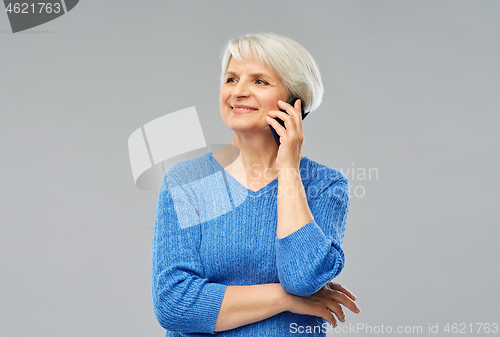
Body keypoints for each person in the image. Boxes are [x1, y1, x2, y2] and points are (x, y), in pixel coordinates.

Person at [151, 32, 360, 336]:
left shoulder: (326, 186)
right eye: (231, 79)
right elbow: (174, 304)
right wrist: (286, 299)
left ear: (294, 101)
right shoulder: (186, 181)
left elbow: (303, 277)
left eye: (260, 81)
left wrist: (288, 169)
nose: (238, 92)